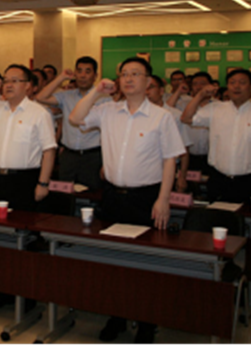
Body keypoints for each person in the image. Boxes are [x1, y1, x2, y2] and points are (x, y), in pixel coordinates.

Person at [70, 57, 185, 346]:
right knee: (113, 261)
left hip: (146, 198)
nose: (129, 78)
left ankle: (146, 323)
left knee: (145, 264)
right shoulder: (107, 110)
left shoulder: (161, 117)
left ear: (148, 82)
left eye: (136, 74)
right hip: (112, 196)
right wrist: (96, 91)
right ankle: (117, 316)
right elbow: (75, 118)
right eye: (124, 74)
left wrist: (163, 200)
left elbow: (170, 160)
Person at [0, 64, 57, 311]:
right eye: (6, 80)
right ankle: (4, 290)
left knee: (25, 240)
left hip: (26, 181)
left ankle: (27, 296)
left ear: (29, 86)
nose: (9, 84)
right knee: (1, 237)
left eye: (15, 80)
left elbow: (49, 150)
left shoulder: (39, 113)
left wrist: (43, 183)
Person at [182, 69, 251, 206]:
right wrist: (200, 96)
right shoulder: (215, 108)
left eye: (242, 82)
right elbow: (186, 118)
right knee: (215, 216)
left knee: (245, 218)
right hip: (218, 178)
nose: (236, 86)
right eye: (232, 82)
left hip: (248, 181)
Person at [36, 57, 106, 190]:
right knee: (64, 193)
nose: (83, 75)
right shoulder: (67, 95)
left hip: (93, 156)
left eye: (87, 71)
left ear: (95, 76)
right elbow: (40, 97)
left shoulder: (104, 99)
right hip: (68, 156)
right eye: (79, 71)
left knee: (92, 194)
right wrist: (61, 77)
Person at [169, 72, 213, 191]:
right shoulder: (185, 104)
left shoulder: (218, 106)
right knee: (188, 190)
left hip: (210, 158)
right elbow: (167, 109)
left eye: (202, 83)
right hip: (189, 158)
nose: (199, 87)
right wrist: (178, 91)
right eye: (195, 84)